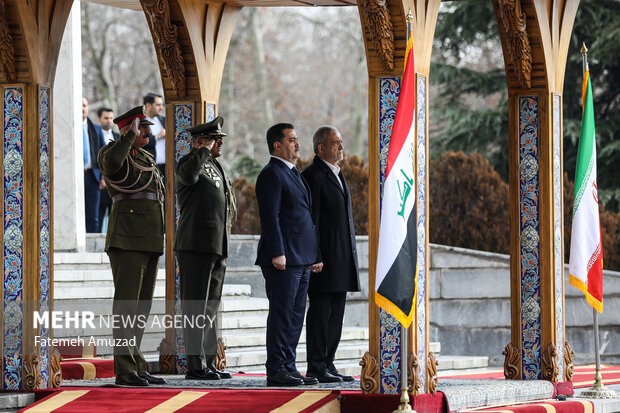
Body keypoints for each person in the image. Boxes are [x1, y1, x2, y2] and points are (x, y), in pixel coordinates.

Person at [97, 106, 166, 387]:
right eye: (142, 128)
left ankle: (136, 363)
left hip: (149, 238)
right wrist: (127, 138)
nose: (148, 132)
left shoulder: (146, 156)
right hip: (127, 237)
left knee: (141, 308)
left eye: (148, 128)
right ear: (128, 130)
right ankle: (124, 368)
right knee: (127, 306)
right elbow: (113, 164)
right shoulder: (111, 151)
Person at [255, 123, 320, 387]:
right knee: (282, 314)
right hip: (283, 259)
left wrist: (314, 254)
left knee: (294, 316)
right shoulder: (271, 174)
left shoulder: (294, 173)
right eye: (291, 140)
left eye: (297, 139)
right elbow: (270, 217)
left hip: (302, 257)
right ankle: (276, 369)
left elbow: (305, 219)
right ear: (277, 145)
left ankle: (289, 365)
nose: (297, 144)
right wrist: (278, 252)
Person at [174, 116, 236, 380]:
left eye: (219, 140)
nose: (219, 144)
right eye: (214, 139)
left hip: (216, 244)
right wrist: (202, 150)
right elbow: (188, 177)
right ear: (200, 142)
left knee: (211, 307)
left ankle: (209, 363)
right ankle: (195, 365)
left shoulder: (215, 165)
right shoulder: (188, 163)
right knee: (195, 307)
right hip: (195, 244)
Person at [301, 126, 360, 383]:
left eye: (341, 141)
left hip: (342, 258)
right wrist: (315, 254)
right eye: (335, 142)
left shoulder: (337, 173)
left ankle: (328, 362)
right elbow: (310, 221)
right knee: (320, 313)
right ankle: (315, 365)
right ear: (321, 147)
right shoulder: (313, 175)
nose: (341, 146)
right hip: (323, 260)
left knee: (336, 314)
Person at [82, 97, 106, 233]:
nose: (82, 108)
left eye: (84, 105)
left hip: (92, 176)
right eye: (79, 105)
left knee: (93, 216)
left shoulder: (96, 129)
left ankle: (91, 249)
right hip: (74, 178)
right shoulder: (69, 129)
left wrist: (103, 177)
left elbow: (103, 155)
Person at [96, 107, 118, 233]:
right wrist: (102, 177)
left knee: (114, 215)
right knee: (98, 215)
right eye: (106, 118)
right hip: (100, 183)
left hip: (115, 183)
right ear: (99, 119)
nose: (109, 121)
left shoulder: (117, 136)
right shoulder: (95, 134)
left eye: (111, 118)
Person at [143, 93, 166, 178]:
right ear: (148, 106)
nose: (161, 108)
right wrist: (157, 137)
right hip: (150, 168)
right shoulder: (140, 123)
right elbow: (139, 142)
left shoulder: (165, 120)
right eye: (158, 105)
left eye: (162, 105)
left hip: (167, 167)